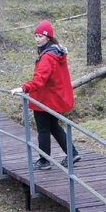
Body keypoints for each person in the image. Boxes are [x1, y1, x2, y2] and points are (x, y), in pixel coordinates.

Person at [10, 20, 80, 170]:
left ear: (48, 38)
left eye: (40, 36)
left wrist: (23, 88)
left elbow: (40, 79)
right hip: (53, 98)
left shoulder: (48, 57)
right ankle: (72, 153)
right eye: (35, 36)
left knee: (43, 129)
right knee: (54, 126)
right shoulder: (56, 53)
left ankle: (44, 160)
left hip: (45, 99)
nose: (37, 39)